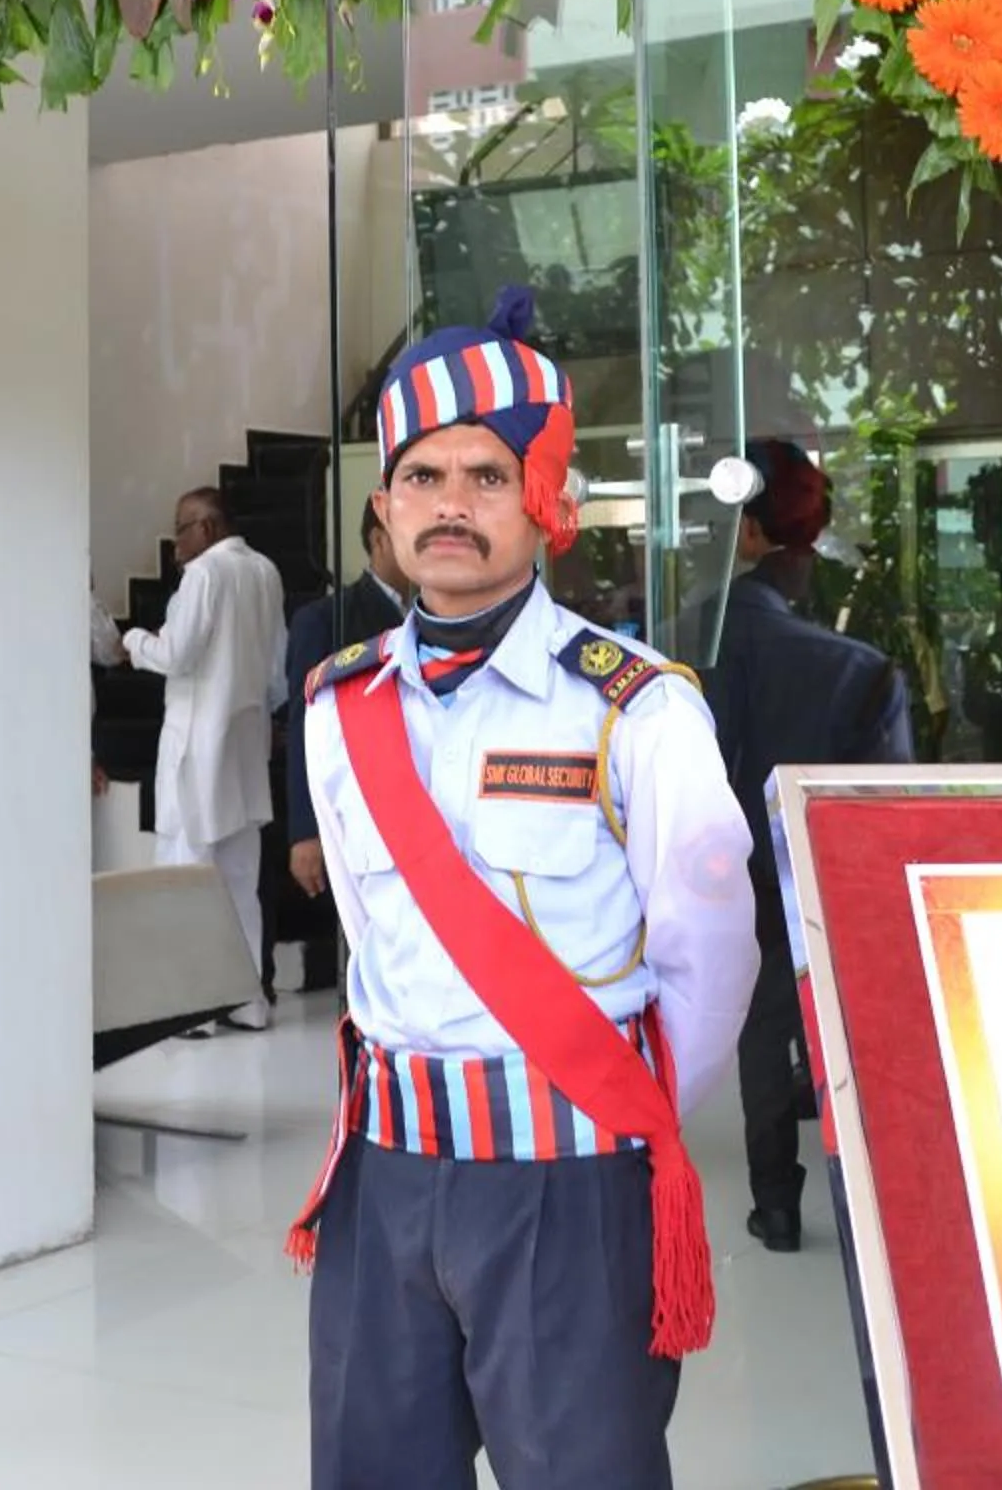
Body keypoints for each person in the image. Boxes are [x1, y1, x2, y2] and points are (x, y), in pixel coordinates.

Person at [293, 291, 758, 1488]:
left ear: (544, 500)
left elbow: (712, 952)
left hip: (567, 1174)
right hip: (383, 1168)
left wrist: (606, 1109)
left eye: (487, 475)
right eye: (423, 475)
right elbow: (371, 927)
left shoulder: (633, 706)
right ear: (385, 505)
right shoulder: (339, 706)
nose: (450, 503)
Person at [700, 438, 912, 1255]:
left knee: (762, 1030)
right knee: (846, 1020)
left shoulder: (698, 638)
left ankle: (777, 1203)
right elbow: (888, 794)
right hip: (832, 871)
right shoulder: (858, 661)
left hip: (733, 869)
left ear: (749, 532)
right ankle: (867, 1195)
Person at [124, 487, 287, 1032]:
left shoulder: (204, 574)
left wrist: (135, 641)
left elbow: (176, 654)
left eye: (180, 529)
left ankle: (190, 1010)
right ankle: (246, 1001)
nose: (174, 546)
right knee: (239, 882)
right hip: (245, 753)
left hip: (197, 754)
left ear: (208, 528)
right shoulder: (265, 572)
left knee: (185, 876)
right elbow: (277, 672)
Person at [277, 507, 412, 989]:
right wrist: (304, 832)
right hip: (363, 808)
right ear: (379, 540)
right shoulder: (326, 619)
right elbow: (304, 727)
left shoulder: (442, 615)